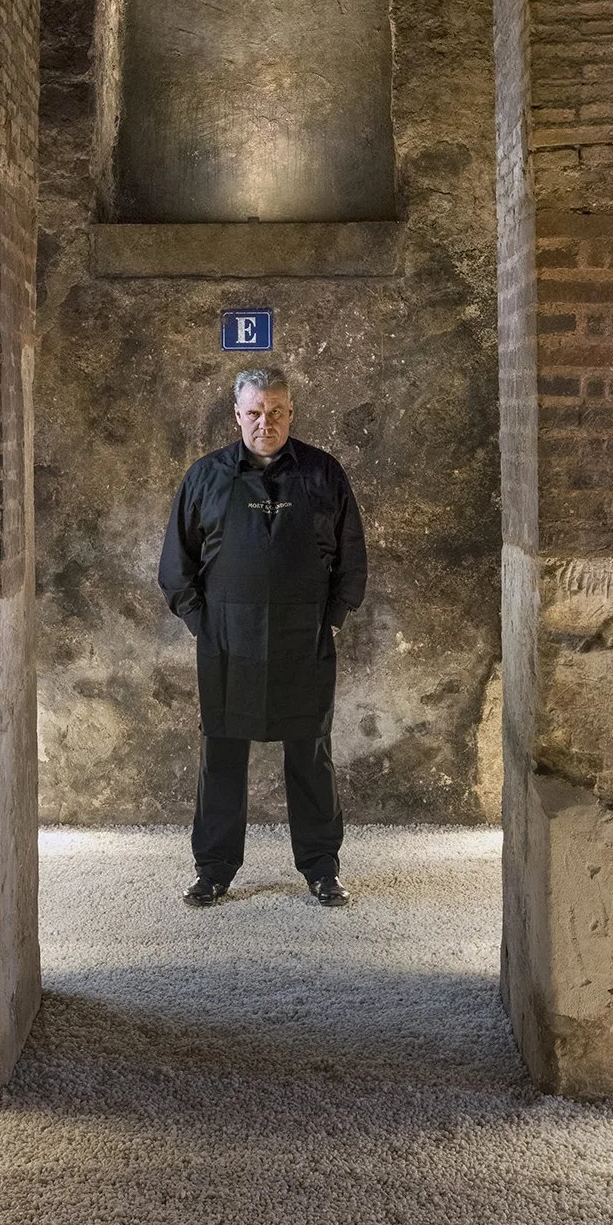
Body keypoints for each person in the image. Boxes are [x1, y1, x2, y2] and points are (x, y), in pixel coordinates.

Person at [158, 364, 367, 908]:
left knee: (311, 751)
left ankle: (322, 867)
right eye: (254, 412)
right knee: (221, 753)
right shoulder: (205, 476)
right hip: (227, 641)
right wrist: (204, 624)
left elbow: (351, 557)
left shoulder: (323, 474)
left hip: (305, 638)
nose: (265, 422)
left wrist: (332, 618)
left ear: (291, 412)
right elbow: (176, 567)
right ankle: (215, 868)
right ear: (237, 415)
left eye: (275, 412)